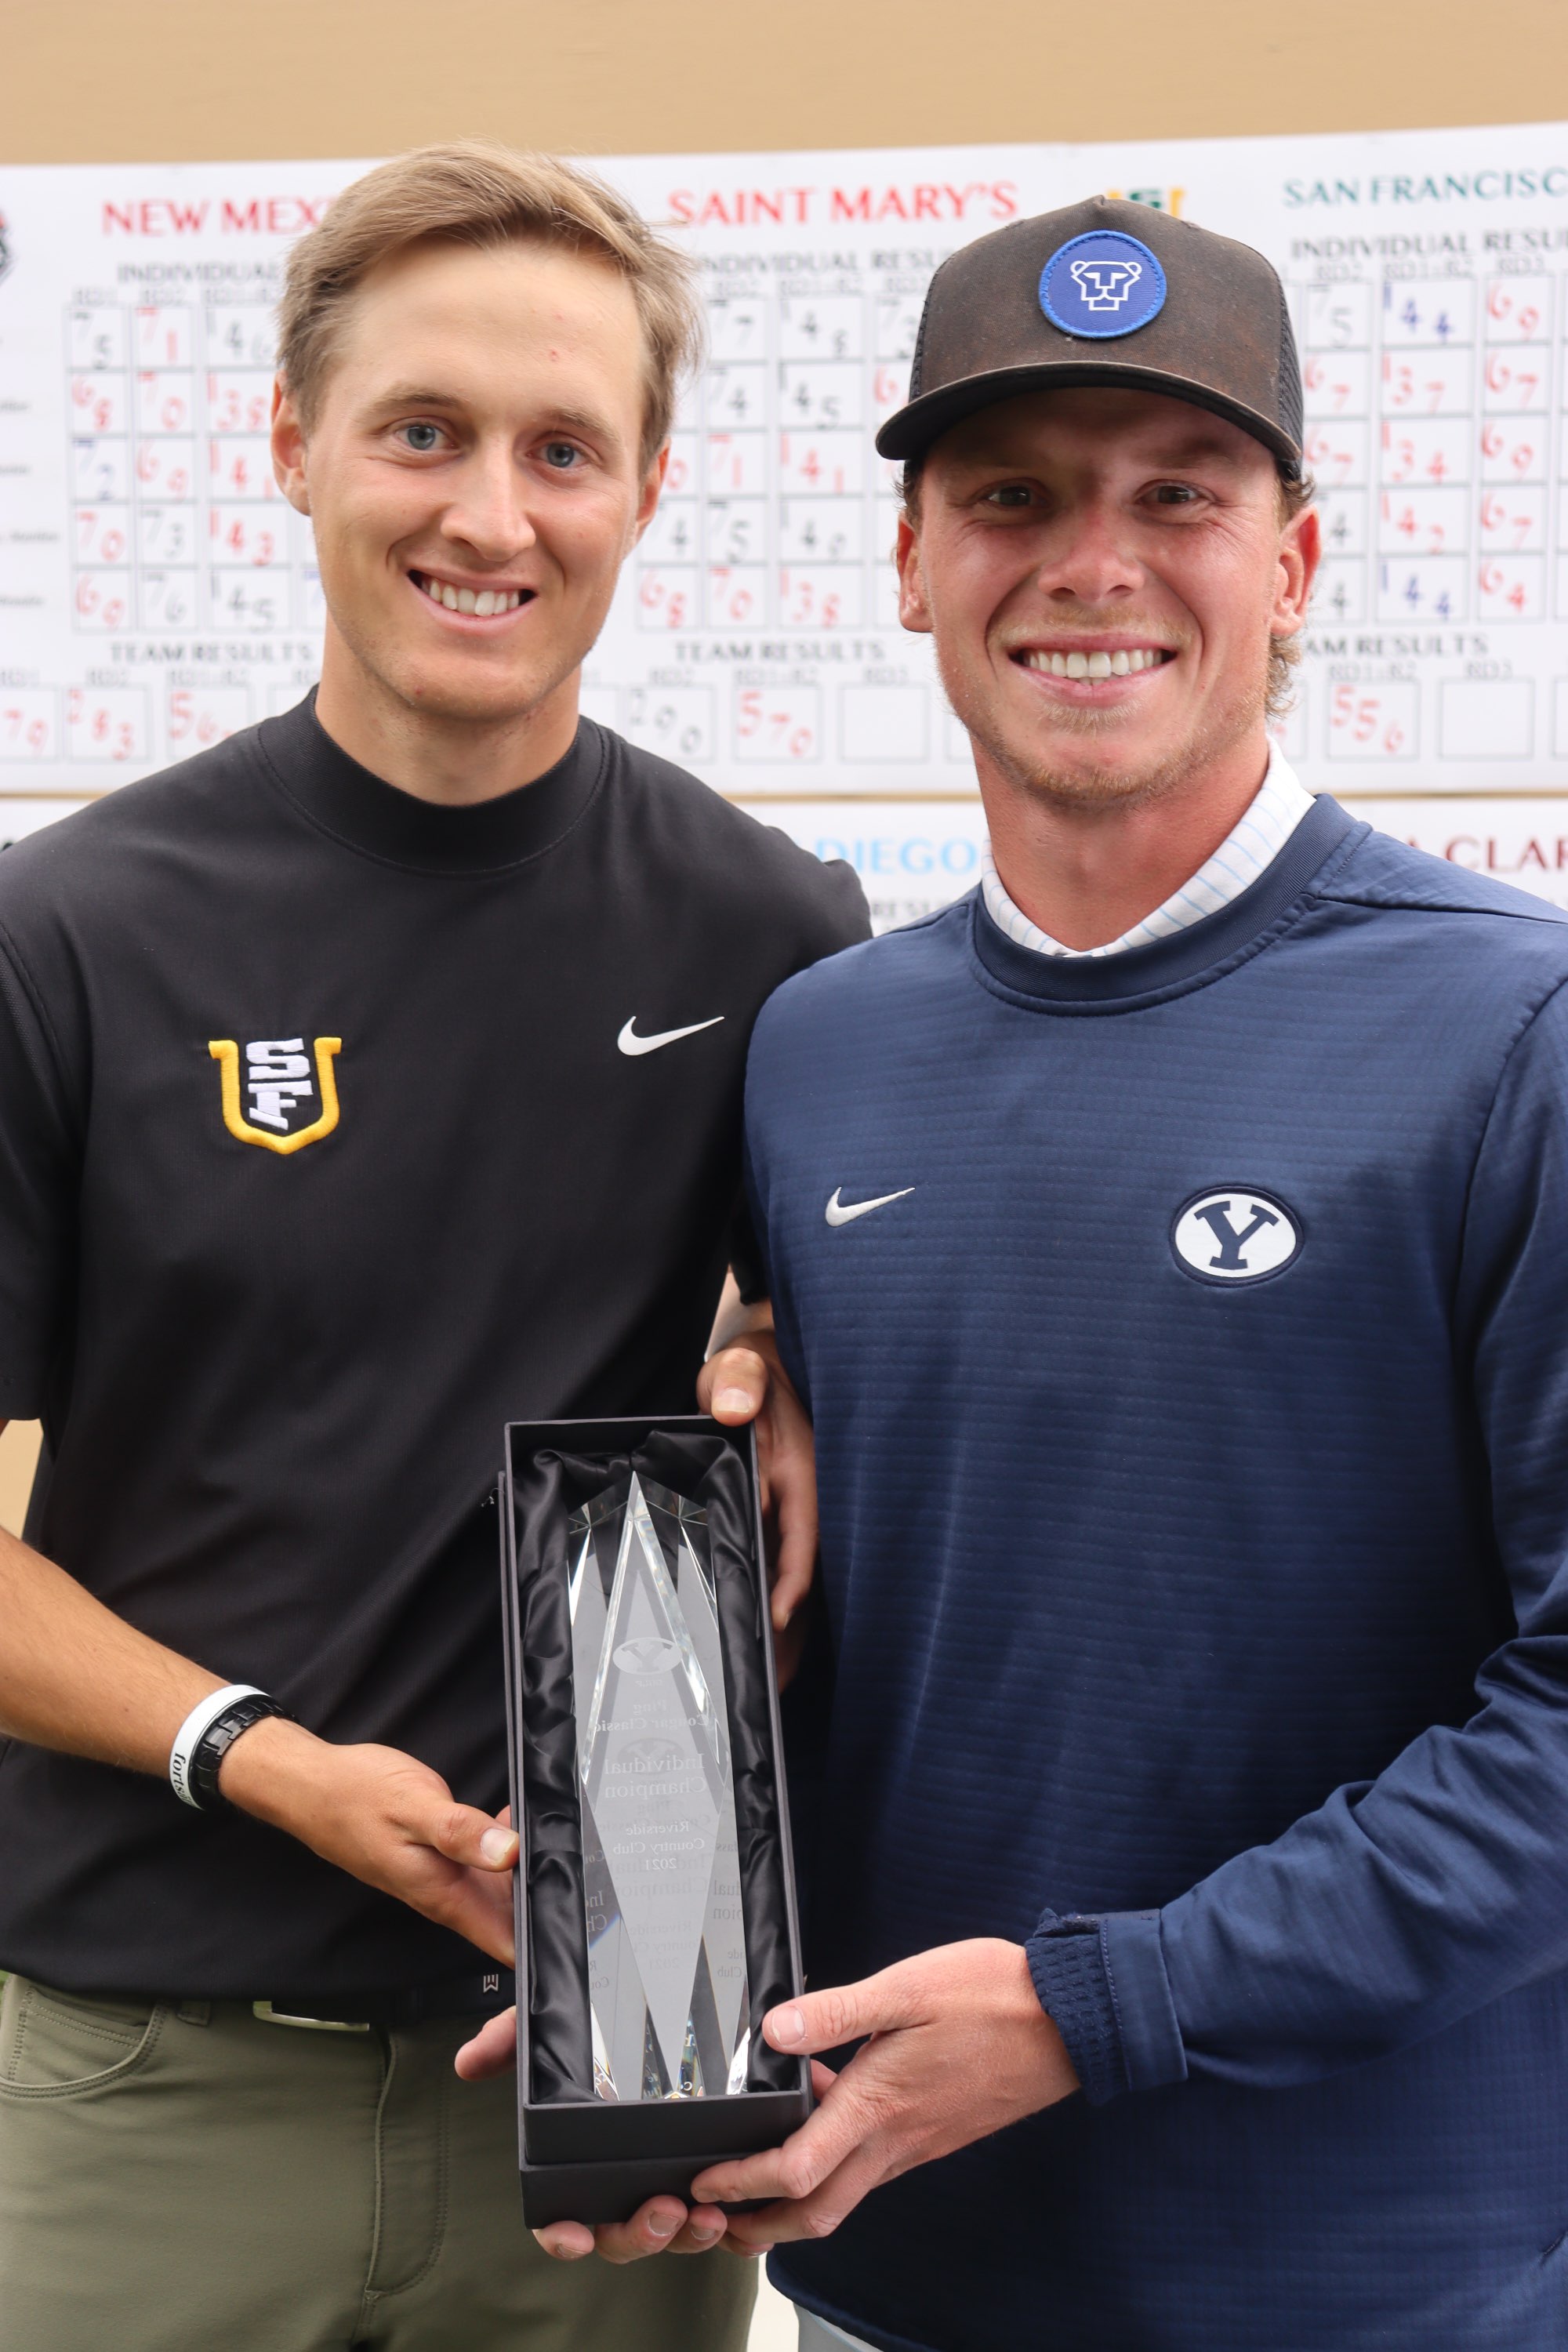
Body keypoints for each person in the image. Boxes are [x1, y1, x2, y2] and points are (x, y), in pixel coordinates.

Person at [493, 193, 1568, 2345]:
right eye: (1011, 498)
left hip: (1377, 2279)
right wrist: (634, 1994)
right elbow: (884, 1585)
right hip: (909, 2263)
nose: (1093, 564)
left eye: (1181, 494)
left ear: (1296, 564)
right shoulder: (827, 1049)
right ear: (913, 566)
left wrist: (1096, 2008)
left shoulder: (1514, 1031)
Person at [0, 141, 866, 2351]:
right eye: (424, 432)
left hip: (605, 2099)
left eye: (563, 448)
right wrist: (262, 1759)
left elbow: (816, 1354)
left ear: (649, 489)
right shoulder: (69, 936)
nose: (493, 515)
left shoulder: (773, 935)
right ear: (291, 446)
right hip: (137, 2086)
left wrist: (791, 1377)